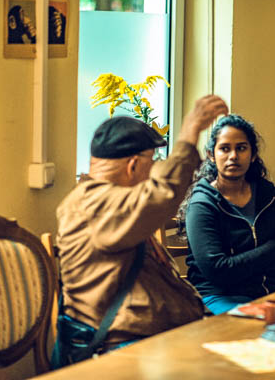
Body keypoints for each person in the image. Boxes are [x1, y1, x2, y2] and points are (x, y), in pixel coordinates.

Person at [54, 95, 229, 362]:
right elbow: (161, 193)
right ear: (134, 165)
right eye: (153, 159)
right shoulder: (92, 204)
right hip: (123, 350)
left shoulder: (114, 204)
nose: (155, 166)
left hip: (162, 340)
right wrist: (189, 132)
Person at [179, 114, 275, 315]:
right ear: (211, 155)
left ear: (253, 154)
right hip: (219, 298)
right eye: (224, 148)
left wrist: (239, 268)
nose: (233, 156)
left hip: (269, 294)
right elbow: (218, 272)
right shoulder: (202, 204)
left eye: (241, 148)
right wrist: (273, 247)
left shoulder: (269, 195)